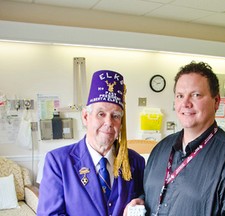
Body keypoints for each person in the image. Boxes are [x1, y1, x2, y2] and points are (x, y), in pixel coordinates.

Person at [125, 61, 225, 215]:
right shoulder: (161, 148)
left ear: (216, 101)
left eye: (196, 95)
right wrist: (140, 202)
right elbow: (152, 192)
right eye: (180, 96)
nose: (185, 103)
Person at [37, 70, 145, 216]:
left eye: (115, 116)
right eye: (101, 114)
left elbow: (145, 197)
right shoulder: (58, 162)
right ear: (85, 116)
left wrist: (141, 202)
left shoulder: (135, 162)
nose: (108, 123)